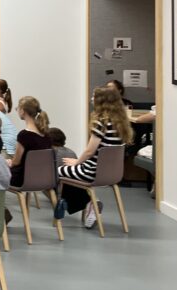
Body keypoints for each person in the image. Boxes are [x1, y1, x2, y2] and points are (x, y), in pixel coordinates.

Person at [55, 86, 133, 228]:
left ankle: (90, 202)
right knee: (71, 172)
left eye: (94, 96)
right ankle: (89, 203)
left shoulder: (101, 122)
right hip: (112, 174)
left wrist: (77, 162)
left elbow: (89, 151)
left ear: (101, 101)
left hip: (92, 172)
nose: (91, 99)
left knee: (58, 171)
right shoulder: (120, 124)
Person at [10, 96, 51, 187]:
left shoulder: (24, 135)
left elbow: (16, 162)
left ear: (22, 111)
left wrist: (8, 162)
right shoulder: (46, 135)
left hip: (22, 179)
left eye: (17, 108)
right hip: (42, 177)